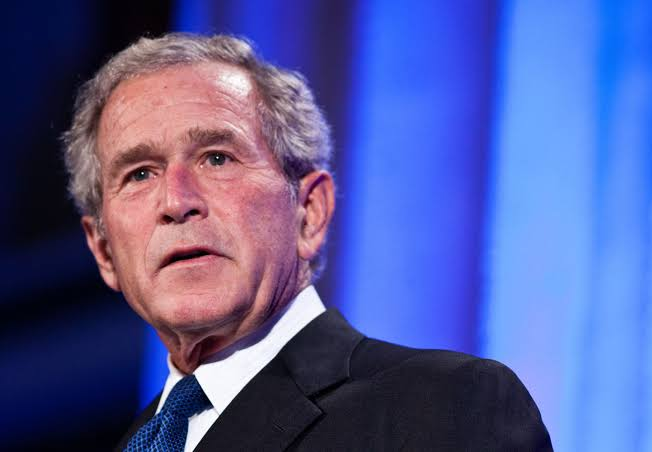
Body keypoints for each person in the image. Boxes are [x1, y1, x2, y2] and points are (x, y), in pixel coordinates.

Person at [63, 33, 553, 451]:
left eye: (217, 158)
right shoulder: (138, 443)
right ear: (103, 250)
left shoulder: (441, 405)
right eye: (139, 173)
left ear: (309, 212)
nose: (176, 201)